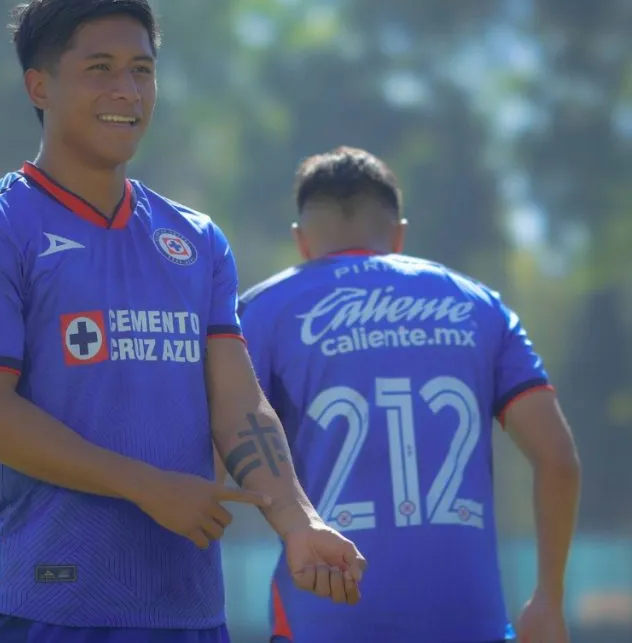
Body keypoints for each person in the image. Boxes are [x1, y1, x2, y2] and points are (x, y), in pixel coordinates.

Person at [0, 0, 366, 643]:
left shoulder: (197, 240)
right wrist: (147, 485)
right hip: (48, 605)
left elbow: (238, 402)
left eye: (141, 71)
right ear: (39, 86)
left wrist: (297, 520)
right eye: (98, 69)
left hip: (187, 611)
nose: (126, 92)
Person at [238, 146, 581, 643]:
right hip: (471, 624)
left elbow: (208, 454)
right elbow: (559, 459)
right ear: (398, 234)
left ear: (302, 241)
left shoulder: (262, 309)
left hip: (323, 618)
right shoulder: (480, 305)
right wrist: (548, 598)